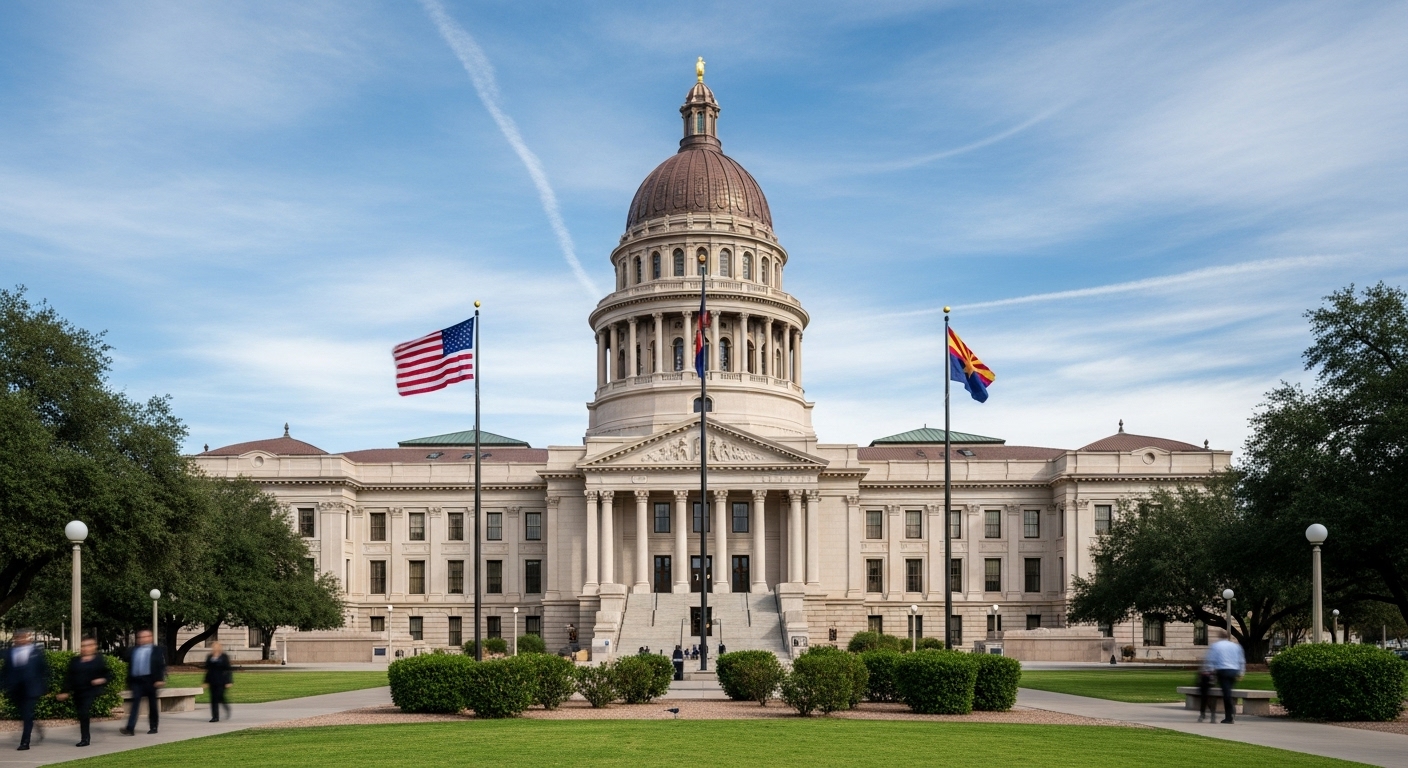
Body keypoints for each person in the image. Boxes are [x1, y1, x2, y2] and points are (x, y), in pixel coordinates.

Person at [57, 637, 109, 747]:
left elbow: (108, 674)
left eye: (88, 645)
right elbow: (69, 678)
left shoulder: (98, 660)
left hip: (90, 691)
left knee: (84, 712)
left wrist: (101, 679)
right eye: (83, 646)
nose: (85, 648)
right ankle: (85, 736)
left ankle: (85, 739)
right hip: (78, 692)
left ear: (94, 647)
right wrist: (64, 691)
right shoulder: (75, 661)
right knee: (81, 714)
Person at [1, 629, 48, 751]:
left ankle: (25, 742)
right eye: (18, 638)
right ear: (15, 639)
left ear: (28, 638)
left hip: (31, 689)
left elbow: (43, 670)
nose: (21, 639)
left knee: (27, 714)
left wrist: (43, 687)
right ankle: (34, 723)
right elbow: (5, 671)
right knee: (24, 714)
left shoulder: (36, 652)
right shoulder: (10, 652)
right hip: (15, 689)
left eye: (23, 637)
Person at [119, 629, 166, 736]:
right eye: (140, 637)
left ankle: (153, 726)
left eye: (145, 637)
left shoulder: (157, 650)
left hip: (151, 680)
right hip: (136, 681)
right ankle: (130, 728)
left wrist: (160, 679)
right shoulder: (133, 650)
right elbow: (127, 661)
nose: (141, 639)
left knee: (152, 705)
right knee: (135, 704)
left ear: (150, 638)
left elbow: (161, 666)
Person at [1202, 628, 1246, 724]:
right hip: (1234, 670)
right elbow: (1241, 660)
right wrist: (1241, 672)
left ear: (1219, 637)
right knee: (1228, 690)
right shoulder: (1236, 646)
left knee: (1226, 693)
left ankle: (1229, 716)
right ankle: (1230, 712)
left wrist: (1209, 671)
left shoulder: (1216, 646)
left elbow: (1211, 660)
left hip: (1222, 670)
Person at [203, 641, 234, 722]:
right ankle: (215, 717)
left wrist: (229, 681)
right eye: (213, 646)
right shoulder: (210, 657)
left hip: (221, 681)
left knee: (219, 697)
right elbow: (207, 670)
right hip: (212, 680)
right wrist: (205, 681)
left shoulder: (224, 657)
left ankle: (226, 707)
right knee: (213, 699)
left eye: (216, 646)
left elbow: (228, 669)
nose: (215, 648)